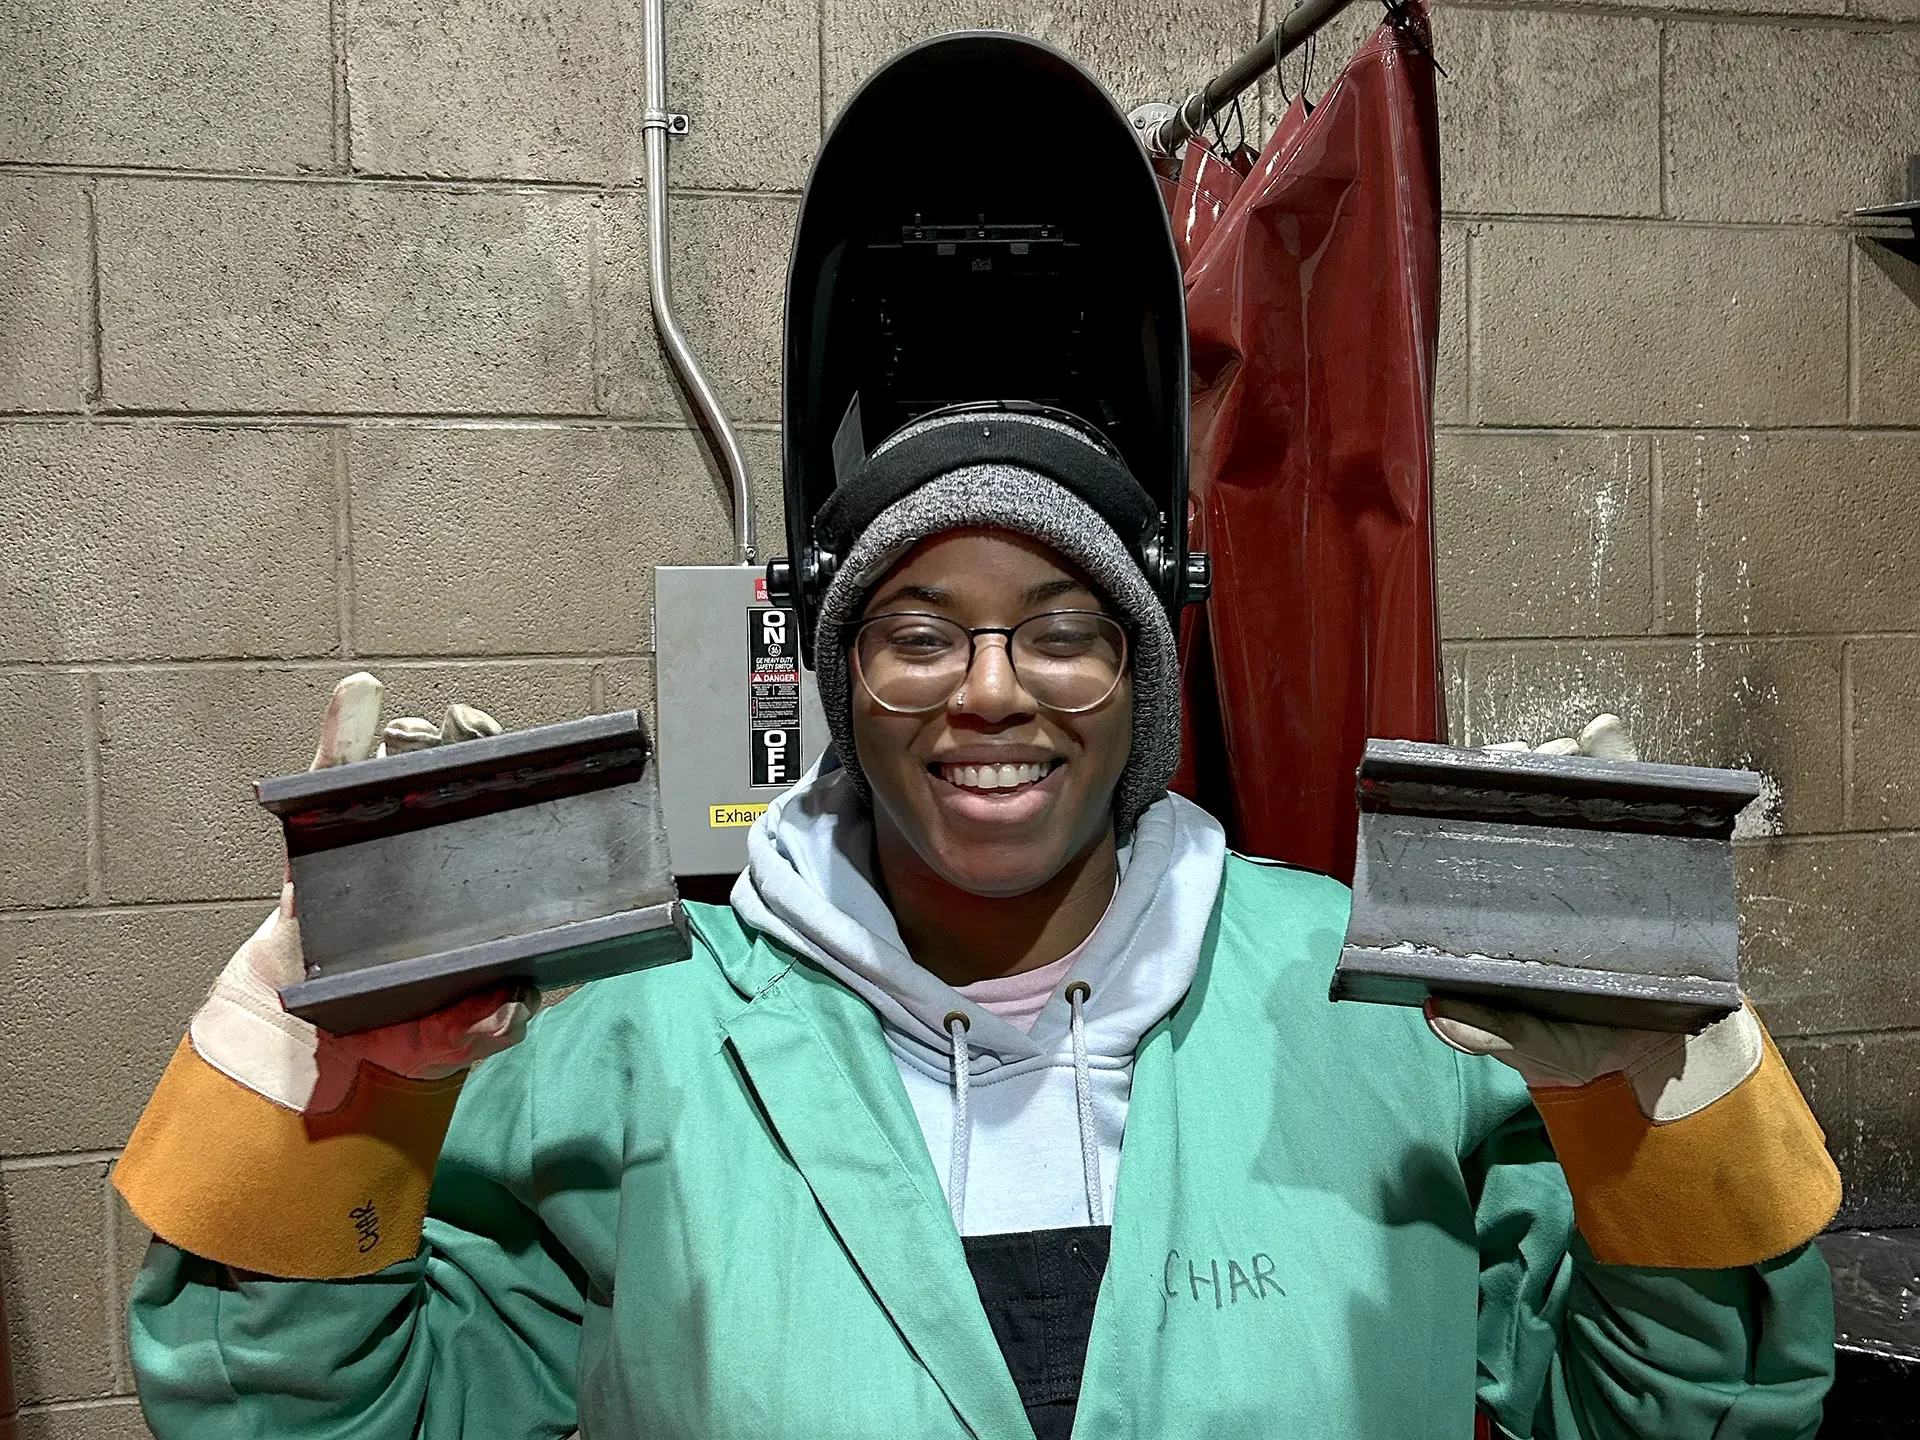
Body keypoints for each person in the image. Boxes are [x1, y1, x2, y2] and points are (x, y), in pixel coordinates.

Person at [113, 32, 1840, 1440]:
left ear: (1145, 678)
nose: (992, 690)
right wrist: (325, 1083)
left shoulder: (1379, 1020)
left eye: (1066, 632)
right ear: (843, 678)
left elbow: (1678, 1414)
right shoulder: (629, 1051)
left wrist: (1650, 1099)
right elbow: (316, 1424)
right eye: (921, 632)